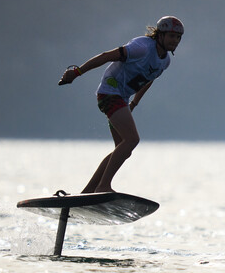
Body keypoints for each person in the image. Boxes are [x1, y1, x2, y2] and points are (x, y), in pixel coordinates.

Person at [58, 16, 184, 193]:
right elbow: (106, 56)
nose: (175, 41)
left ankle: (88, 191)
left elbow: (149, 79)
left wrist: (134, 103)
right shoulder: (140, 48)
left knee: (123, 149)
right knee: (131, 140)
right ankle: (103, 186)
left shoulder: (165, 61)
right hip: (109, 94)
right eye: (172, 36)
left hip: (121, 99)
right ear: (160, 35)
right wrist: (77, 72)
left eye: (178, 37)